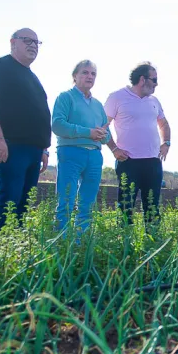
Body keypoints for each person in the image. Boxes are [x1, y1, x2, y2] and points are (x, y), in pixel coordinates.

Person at [0, 28, 52, 235]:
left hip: (33, 149)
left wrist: (44, 149)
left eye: (36, 42)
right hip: (11, 146)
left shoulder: (32, 77)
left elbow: (39, 113)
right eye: (27, 40)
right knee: (10, 197)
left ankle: (14, 243)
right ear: (13, 42)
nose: (33, 45)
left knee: (23, 203)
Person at [104, 62, 171, 224]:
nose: (156, 84)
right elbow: (103, 126)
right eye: (154, 80)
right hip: (128, 162)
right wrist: (114, 149)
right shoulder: (117, 97)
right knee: (126, 206)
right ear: (142, 79)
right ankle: (125, 243)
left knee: (152, 206)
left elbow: (164, 124)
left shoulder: (154, 101)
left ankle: (152, 243)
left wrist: (166, 143)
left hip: (153, 162)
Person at [52, 60, 111, 233]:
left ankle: (81, 243)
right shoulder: (65, 97)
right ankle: (61, 243)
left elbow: (106, 134)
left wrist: (102, 135)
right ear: (75, 76)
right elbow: (57, 125)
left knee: (87, 203)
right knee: (66, 201)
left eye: (93, 74)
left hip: (94, 156)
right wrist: (88, 133)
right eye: (85, 72)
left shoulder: (98, 105)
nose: (89, 76)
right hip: (71, 153)